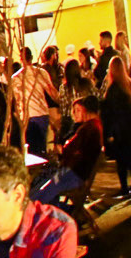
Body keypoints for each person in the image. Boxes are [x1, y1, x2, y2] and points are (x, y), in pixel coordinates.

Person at [34, 96, 104, 237]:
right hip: (76, 172)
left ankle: (48, 219)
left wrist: (62, 150)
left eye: (78, 110)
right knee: (43, 184)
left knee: (41, 191)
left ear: (86, 110)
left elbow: (72, 152)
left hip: (74, 174)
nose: (74, 114)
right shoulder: (93, 126)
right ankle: (54, 217)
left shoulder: (88, 129)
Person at [101, 56, 131, 200]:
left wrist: (108, 133)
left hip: (117, 128)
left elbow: (109, 112)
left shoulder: (113, 89)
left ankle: (124, 187)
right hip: (128, 125)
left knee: (120, 159)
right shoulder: (129, 84)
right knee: (128, 155)